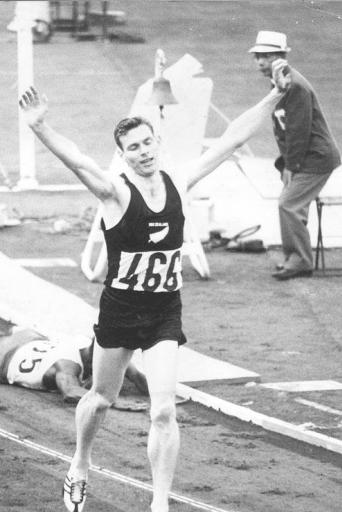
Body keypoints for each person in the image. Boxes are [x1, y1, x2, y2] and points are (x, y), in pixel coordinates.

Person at [19, 58, 290, 512]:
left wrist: (276, 93)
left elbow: (233, 138)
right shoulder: (116, 193)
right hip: (121, 310)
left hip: (165, 311)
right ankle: (80, 463)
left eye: (148, 143)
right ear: (123, 155)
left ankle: (159, 503)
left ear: (157, 142)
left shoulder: (179, 181)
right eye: (134, 148)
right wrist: (40, 127)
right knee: (101, 399)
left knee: (163, 408)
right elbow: (77, 161)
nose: (144, 152)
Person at [249, 31, 341, 280]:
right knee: (292, 205)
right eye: (257, 56)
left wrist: (292, 165)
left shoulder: (295, 85)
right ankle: (295, 258)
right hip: (305, 156)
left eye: (266, 56)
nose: (260, 62)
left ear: (281, 57)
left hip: (316, 158)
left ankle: (300, 260)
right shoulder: (281, 82)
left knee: (288, 204)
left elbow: (299, 129)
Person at [0, 316, 149, 404]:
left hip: (34, 339)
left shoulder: (96, 348)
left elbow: (138, 377)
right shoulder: (68, 367)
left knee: (39, 337)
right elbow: (71, 392)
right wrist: (109, 400)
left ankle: (19, 329)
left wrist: (162, 395)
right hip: (8, 357)